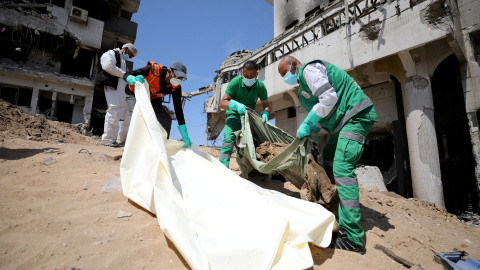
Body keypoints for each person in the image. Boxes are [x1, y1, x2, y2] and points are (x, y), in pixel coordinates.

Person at [278, 55, 378, 254]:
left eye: (284, 73)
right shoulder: (305, 85)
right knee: (330, 152)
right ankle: (334, 197)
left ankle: (353, 237)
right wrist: (312, 127)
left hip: (355, 116)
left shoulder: (308, 70)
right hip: (345, 120)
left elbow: (329, 98)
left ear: (294, 65)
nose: (284, 78)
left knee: (342, 167)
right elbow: (324, 110)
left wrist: (307, 123)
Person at [123, 61, 191, 148]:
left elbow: (178, 110)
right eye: (177, 76)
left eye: (181, 78)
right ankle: (133, 147)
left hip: (152, 98)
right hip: (134, 93)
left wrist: (184, 134)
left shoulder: (176, 87)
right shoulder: (154, 70)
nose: (178, 79)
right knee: (136, 117)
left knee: (165, 119)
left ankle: (162, 146)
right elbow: (127, 74)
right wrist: (131, 79)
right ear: (170, 71)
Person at [219, 60, 270, 168]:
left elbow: (266, 104)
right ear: (242, 72)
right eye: (245, 75)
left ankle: (248, 171)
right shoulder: (235, 82)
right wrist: (236, 106)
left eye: (251, 76)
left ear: (257, 74)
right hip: (234, 116)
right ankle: (223, 168)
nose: (248, 78)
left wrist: (265, 112)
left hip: (248, 118)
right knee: (228, 140)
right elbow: (222, 103)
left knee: (248, 145)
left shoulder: (260, 86)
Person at [100, 43, 138, 147]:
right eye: (130, 55)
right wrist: (125, 75)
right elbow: (107, 66)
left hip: (122, 91)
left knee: (127, 115)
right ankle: (108, 140)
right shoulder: (111, 53)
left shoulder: (123, 61)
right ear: (125, 49)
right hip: (113, 87)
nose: (130, 57)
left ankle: (122, 140)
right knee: (115, 110)